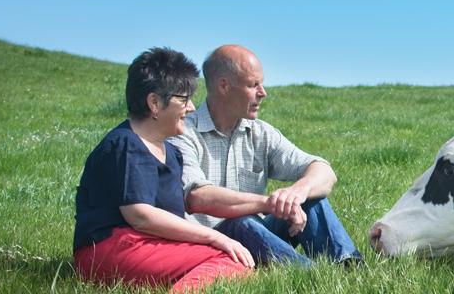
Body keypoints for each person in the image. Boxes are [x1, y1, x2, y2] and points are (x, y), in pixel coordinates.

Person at [73, 47, 253, 293]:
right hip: (109, 247)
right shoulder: (126, 144)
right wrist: (214, 237)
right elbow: (141, 216)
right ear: (155, 103)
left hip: (147, 245)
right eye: (184, 99)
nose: (191, 108)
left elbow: (171, 220)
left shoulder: (172, 153)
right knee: (229, 262)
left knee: (233, 261)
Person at [170, 44, 361, 267]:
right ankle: (309, 274)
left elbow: (324, 170)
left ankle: (349, 266)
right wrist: (269, 203)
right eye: (253, 85)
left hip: (258, 238)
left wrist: (296, 193)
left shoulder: (261, 133)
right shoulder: (182, 133)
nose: (263, 93)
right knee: (241, 221)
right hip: (211, 246)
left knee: (310, 199)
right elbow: (197, 197)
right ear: (224, 86)